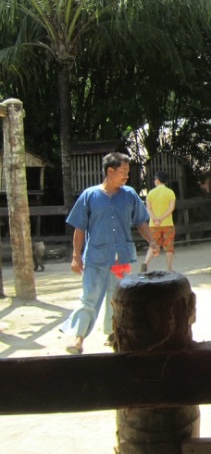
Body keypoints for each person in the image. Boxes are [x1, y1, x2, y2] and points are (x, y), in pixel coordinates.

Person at [60, 152, 158, 354]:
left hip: (121, 257)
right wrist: (76, 256)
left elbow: (140, 221)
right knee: (89, 297)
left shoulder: (129, 194)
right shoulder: (90, 196)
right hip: (95, 258)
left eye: (127, 173)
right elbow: (79, 228)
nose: (126, 176)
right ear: (110, 171)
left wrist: (152, 241)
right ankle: (78, 340)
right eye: (123, 172)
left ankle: (115, 335)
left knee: (119, 299)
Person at [143, 170, 177, 272]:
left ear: (157, 180)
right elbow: (171, 208)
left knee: (153, 245)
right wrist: (161, 218)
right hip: (167, 223)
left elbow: (148, 208)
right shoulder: (170, 192)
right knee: (169, 247)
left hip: (153, 224)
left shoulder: (151, 193)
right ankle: (170, 269)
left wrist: (155, 219)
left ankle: (145, 263)